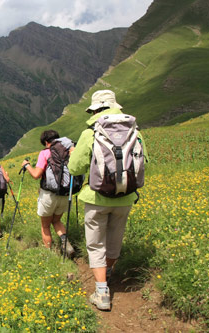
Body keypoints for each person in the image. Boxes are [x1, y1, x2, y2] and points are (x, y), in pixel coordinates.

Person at [68, 89, 147, 311]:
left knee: (95, 243)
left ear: (96, 109)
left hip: (97, 197)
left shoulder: (90, 133)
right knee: (115, 238)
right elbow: (142, 162)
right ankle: (108, 272)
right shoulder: (136, 132)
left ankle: (102, 291)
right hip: (125, 197)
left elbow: (74, 168)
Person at [21, 130, 75, 256]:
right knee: (56, 221)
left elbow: (36, 175)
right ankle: (65, 241)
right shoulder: (68, 151)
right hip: (65, 193)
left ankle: (49, 254)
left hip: (49, 194)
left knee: (45, 226)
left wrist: (27, 165)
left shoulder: (45, 153)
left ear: (46, 142)